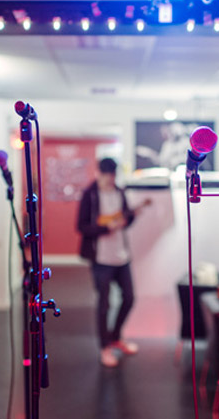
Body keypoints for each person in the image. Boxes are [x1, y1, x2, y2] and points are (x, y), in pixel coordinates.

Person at [77, 157, 139, 367]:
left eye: (113, 175)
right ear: (99, 173)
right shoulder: (90, 195)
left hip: (122, 256)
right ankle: (105, 347)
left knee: (129, 298)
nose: (110, 179)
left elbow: (127, 218)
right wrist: (106, 228)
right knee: (104, 304)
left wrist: (128, 219)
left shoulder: (120, 192)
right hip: (101, 258)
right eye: (106, 175)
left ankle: (115, 337)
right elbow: (81, 226)